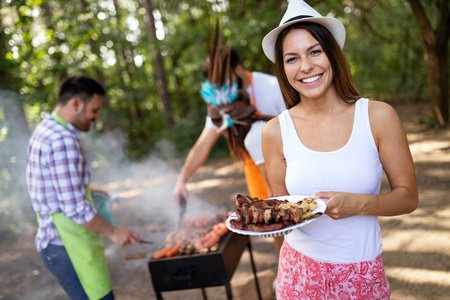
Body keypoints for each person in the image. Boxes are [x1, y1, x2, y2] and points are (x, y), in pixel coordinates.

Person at [261, 0, 418, 299]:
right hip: (298, 275)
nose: (305, 67)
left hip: (361, 274)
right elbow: (281, 211)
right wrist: (255, 218)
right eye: (292, 58)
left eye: (314, 52)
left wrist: (357, 204)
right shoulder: (275, 132)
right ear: (283, 68)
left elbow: (408, 197)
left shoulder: (378, 117)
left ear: (332, 54)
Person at [26, 75, 141, 300]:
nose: (97, 117)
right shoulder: (62, 140)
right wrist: (114, 231)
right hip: (66, 246)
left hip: (58, 243)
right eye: (95, 110)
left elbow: (58, 189)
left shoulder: (47, 129)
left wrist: (96, 194)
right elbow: (75, 208)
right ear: (76, 103)